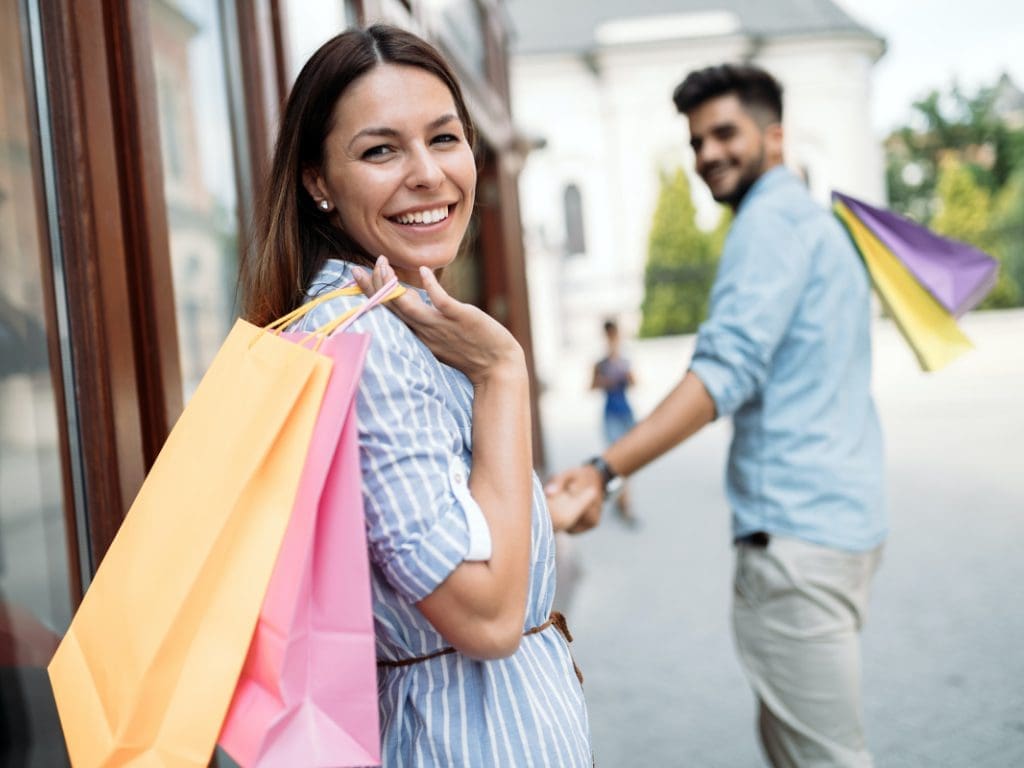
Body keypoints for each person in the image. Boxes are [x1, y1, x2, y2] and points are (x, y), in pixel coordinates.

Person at [238, 25, 593, 766]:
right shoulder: (365, 341)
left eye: (444, 138)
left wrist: (542, 511)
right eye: (381, 150)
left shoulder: (398, 319)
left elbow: (424, 527)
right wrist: (502, 373)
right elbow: (486, 617)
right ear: (317, 182)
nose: (429, 174)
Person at [546, 63, 886, 768]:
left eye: (725, 133)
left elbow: (721, 375)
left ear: (775, 136)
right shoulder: (817, 225)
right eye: (697, 141)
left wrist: (604, 469)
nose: (707, 154)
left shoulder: (767, 225)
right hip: (842, 525)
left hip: (795, 539)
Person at [591, 319, 637, 524]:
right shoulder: (601, 363)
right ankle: (625, 505)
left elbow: (635, 382)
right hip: (611, 415)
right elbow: (591, 386)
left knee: (628, 460)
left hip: (626, 413)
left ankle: (621, 500)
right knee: (618, 461)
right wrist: (605, 381)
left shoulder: (624, 360)